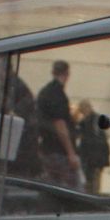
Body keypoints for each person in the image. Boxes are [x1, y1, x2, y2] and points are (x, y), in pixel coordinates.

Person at [34, 59, 82, 188]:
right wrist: (71, 153)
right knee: (73, 190)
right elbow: (60, 125)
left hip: (46, 149)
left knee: (51, 188)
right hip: (60, 152)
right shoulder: (58, 95)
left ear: (52, 72)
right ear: (67, 74)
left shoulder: (43, 92)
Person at [73, 98, 110, 194]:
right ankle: (94, 194)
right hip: (94, 154)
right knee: (92, 177)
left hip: (94, 154)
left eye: (82, 110)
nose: (82, 112)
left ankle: (94, 194)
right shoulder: (91, 120)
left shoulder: (92, 120)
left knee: (93, 177)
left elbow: (96, 137)